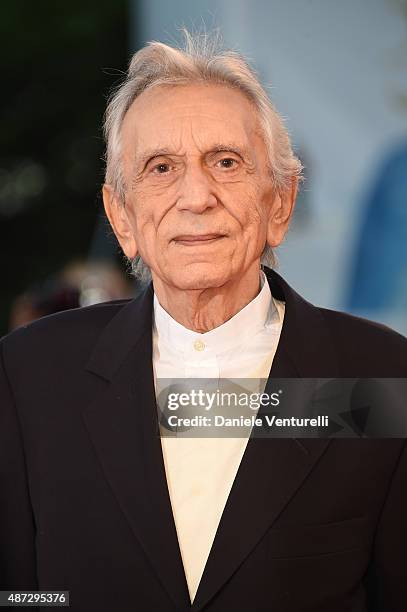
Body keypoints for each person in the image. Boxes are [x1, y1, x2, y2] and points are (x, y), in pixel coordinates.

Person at [1, 31, 406, 612]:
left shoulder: (383, 375)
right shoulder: (28, 374)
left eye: (226, 162)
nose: (196, 196)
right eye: (161, 167)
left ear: (280, 204)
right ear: (123, 218)